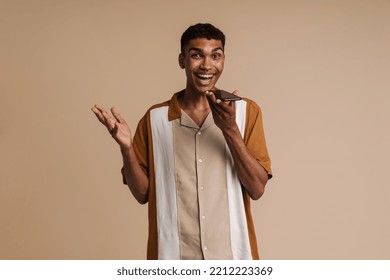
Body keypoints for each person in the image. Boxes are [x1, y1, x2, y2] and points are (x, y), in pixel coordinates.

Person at [91, 23, 272, 260]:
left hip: (233, 259)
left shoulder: (246, 113)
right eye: (197, 55)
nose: (207, 65)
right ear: (182, 60)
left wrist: (230, 130)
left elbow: (257, 189)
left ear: (223, 60)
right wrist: (127, 150)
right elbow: (142, 194)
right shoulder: (155, 120)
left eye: (215, 56)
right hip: (173, 258)